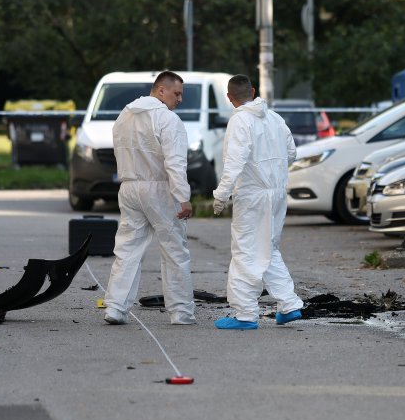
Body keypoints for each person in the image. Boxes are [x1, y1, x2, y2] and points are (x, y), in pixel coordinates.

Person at [103, 71, 196, 325]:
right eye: (177, 93)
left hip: (129, 186)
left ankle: (115, 307)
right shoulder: (168, 119)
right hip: (159, 188)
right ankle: (181, 312)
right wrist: (183, 197)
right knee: (175, 249)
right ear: (161, 90)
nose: (179, 100)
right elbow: (175, 163)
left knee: (127, 249)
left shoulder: (125, 114)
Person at [212, 74, 304, 330]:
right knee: (268, 247)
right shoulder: (274, 118)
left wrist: (221, 195)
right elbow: (292, 153)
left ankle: (245, 314)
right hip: (276, 193)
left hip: (253, 195)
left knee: (244, 252)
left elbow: (234, 163)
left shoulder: (240, 121)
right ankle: (289, 304)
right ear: (252, 91)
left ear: (230, 98)